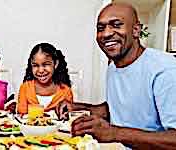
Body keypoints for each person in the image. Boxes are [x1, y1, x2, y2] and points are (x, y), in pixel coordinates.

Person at [58, 3, 176, 149]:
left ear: (136, 30)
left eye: (116, 25)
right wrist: (78, 107)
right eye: (101, 28)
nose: (106, 34)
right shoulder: (113, 67)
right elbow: (117, 109)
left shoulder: (165, 69)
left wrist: (113, 133)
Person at [17, 43, 73, 119]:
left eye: (46, 64)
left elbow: (67, 118)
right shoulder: (25, 88)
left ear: (55, 64)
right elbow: (21, 116)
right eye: (35, 65)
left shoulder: (65, 90)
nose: (40, 70)